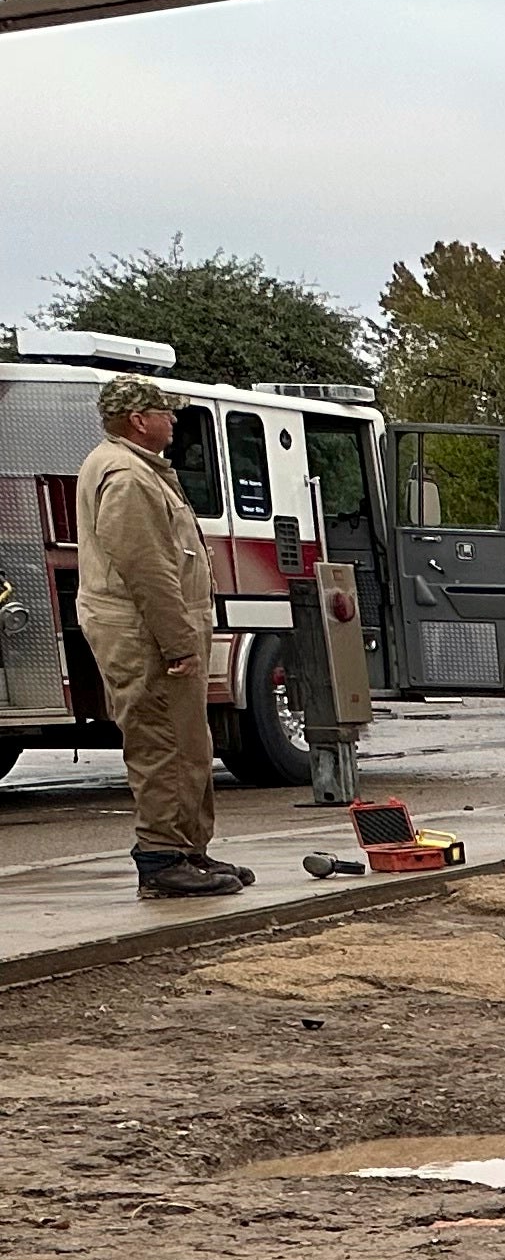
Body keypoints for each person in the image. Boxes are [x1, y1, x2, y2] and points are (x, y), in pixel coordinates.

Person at [71, 377, 248, 900]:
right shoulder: (127, 476)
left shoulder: (138, 469)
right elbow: (146, 569)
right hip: (142, 633)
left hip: (148, 629)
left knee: (188, 741)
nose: (173, 420)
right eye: (164, 412)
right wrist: (178, 643)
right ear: (137, 420)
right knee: (163, 743)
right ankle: (162, 859)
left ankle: (189, 851)